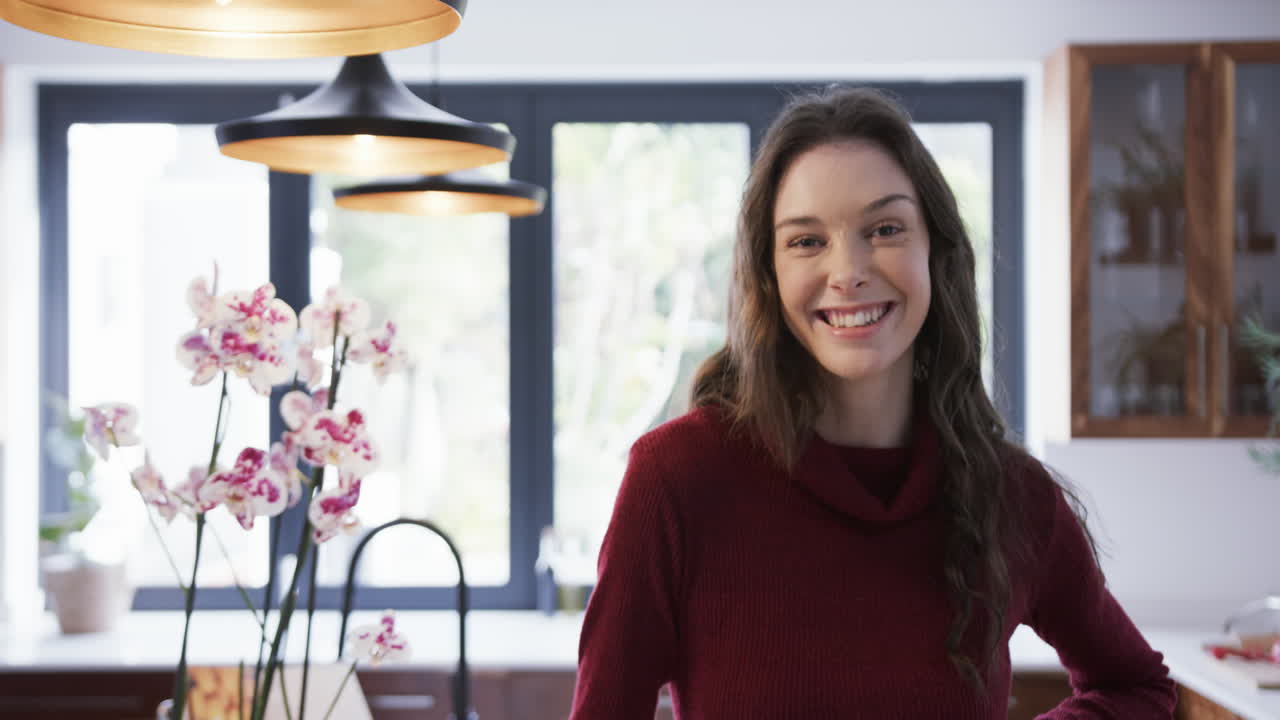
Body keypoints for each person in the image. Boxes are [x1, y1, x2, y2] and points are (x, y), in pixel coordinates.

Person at [569, 86, 1177, 719]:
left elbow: (1135, 686)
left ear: (935, 254)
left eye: (885, 228)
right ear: (768, 275)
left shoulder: (1010, 496)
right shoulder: (677, 479)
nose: (848, 270)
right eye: (806, 241)